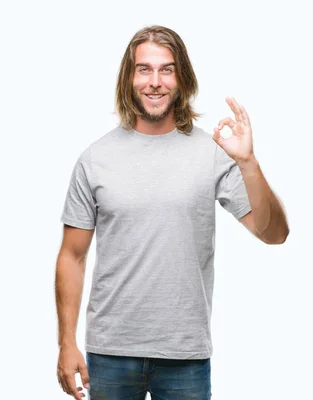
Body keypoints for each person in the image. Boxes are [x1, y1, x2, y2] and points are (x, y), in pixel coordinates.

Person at [55, 25, 289, 400]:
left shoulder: (211, 152)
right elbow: (72, 255)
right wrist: (66, 343)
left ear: (182, 77)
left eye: (167, 69)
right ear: (128, 78)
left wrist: (248, 163)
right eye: (144, 69)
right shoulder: (94, 159)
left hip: (185, 356)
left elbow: (273, 233)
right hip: (110, 352)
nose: (155, 82)